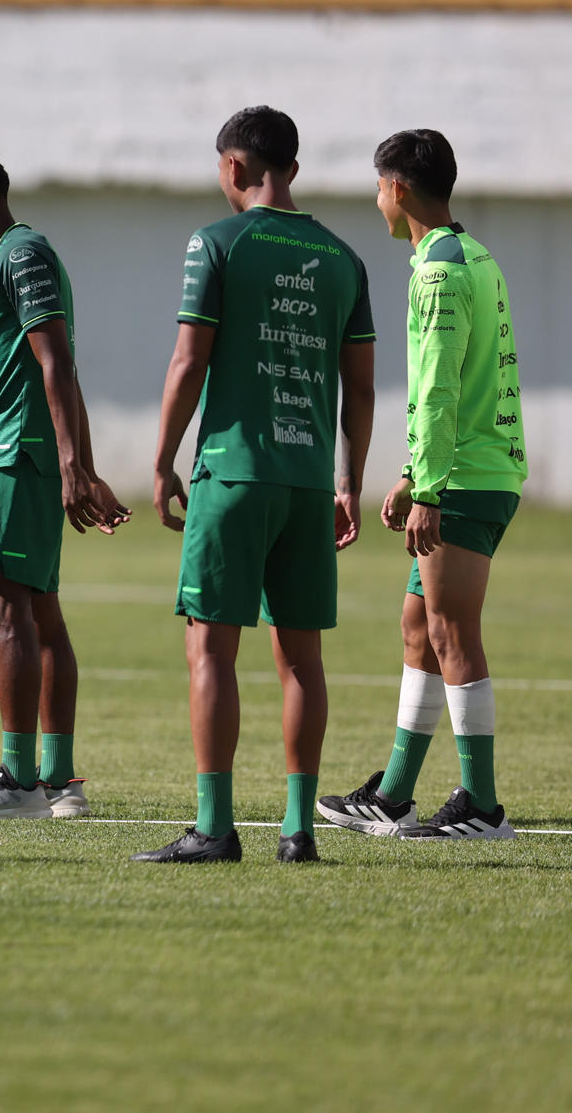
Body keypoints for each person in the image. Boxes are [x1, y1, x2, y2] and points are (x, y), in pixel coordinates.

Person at [137, 105, 375, 865]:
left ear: (234, 169)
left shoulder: (217, 242)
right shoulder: (343, 259)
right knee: (301, 660)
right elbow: (362, 390)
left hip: (233, 472)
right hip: (308, 485)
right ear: (293, 169)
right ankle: (299, 832)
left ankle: (214, 827)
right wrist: (349, 478)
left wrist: (161, 456)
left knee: (211, 650)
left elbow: (188, 362)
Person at [317, 129, 525, 841]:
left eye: (379, 187)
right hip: (469, 470)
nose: (377, 200)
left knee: (449, 629)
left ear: (398, 190)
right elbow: (470, 378)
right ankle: (395, 795)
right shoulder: (475, 256)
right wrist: (412, 474)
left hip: (463, 479)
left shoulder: (436, 270)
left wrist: (429, 487)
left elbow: (438, 390)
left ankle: (483, 806)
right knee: (418, 629)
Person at [0, 150, 130, 819]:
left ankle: (17, 778)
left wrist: (74, 464)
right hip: (31, 453)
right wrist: (83, 465)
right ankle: (60, 781)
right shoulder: (16, 259)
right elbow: (58, 367)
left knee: (3, 606)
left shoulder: (21, 254)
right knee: (41, 613)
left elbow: (58, 361)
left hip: (18, 454)